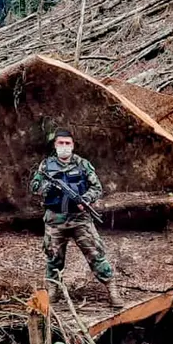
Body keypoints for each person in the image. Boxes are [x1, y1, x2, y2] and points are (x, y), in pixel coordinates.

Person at [29, 129, 123, 307]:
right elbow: (34, 187)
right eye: (60, 143)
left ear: (72, 145)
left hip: (80, 218)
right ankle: (53, 291)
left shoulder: (82, 164)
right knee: (53, 257)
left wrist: (85, 199)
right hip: (55, 219)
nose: (64, 147)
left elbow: (97, 188)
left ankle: (112, 289)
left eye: (67, 143)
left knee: (96, 254)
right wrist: (46, 187)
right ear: (55, 145)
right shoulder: (46, 165)